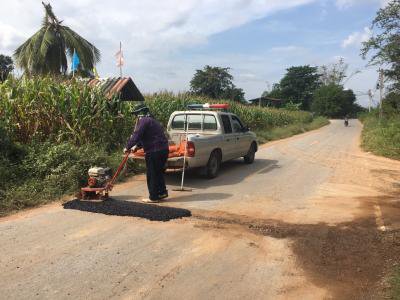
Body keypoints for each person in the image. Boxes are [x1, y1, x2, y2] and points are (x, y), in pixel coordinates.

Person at [124, 103, 169, 203]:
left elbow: (136, 135)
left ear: (139, 114)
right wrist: (137, 146)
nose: (135, 117)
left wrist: (127, 147)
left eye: (136, 115)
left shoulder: (143, 121)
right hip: (163, 150)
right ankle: (162, 193)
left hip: (154, 151)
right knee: (158, 172)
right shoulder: (152, 120)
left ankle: (153, 197)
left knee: (152, 174)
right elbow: (147, 136)